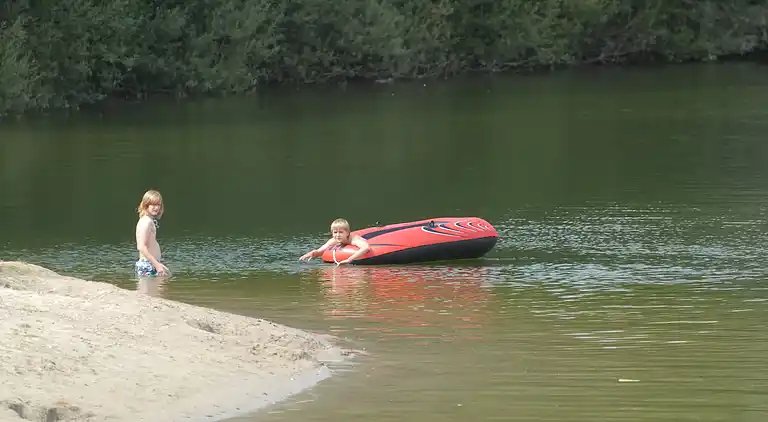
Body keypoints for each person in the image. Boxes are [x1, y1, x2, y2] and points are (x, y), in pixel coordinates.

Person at [299, 218, 370, 265]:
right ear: (332, 233)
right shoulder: (333, 240)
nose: (338, 235)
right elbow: (321, 250)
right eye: (335, 232)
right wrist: (313, 253)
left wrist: (349, 259)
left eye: (341, 232)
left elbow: (366, 248)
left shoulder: (354, 239)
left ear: (347, 233)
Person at [135, 189, 171, 277]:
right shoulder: (146, 222)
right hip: (147, 265)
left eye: (158, 204)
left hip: (150, 263)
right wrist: (157, 265)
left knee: (157, 289)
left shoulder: (148, 220)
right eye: (153, 204)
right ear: (146, 205)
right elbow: (141, 246)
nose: (157, 207)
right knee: (149, 290)